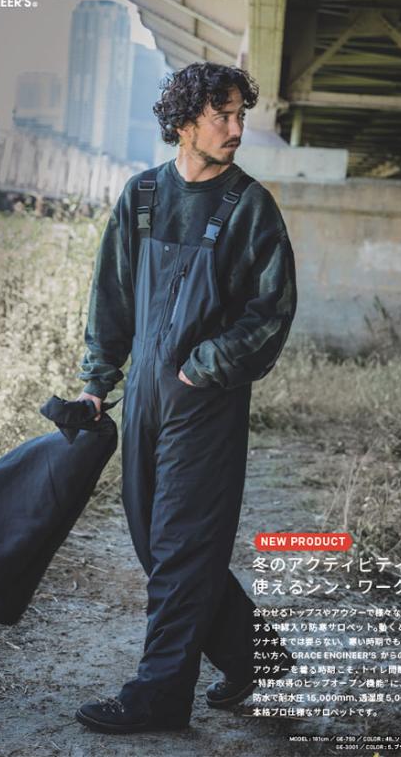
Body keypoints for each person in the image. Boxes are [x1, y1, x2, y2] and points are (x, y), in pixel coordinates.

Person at [73, 62, 297, 734]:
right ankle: (255, 657)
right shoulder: (141, 195)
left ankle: (160, 694)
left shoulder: (250, 206)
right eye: (221, 115)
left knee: (180, 547)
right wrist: (97, 382)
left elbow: (271, 312)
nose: (236, 128)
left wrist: (204, 367)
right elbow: (111, 296)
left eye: (239, 116)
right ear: (183, 122)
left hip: (205, 401)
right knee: (157, 541)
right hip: (145, 395)